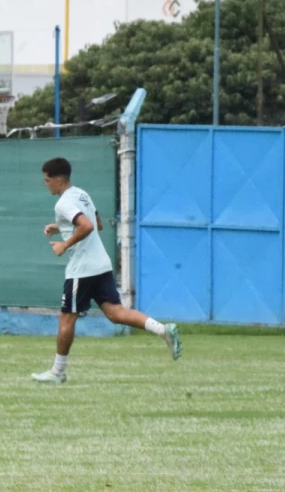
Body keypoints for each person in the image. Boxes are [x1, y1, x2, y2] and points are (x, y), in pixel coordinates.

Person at [32, 157, 181, 384]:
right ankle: (163, 330)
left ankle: (57, 372)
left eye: (47, 180)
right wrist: (61, 226)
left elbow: (88, 226)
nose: (46, 184)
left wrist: (65, 244)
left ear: (59, 180)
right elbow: (97, 222)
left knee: (66, 319)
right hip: (101, 264)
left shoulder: (62, 204)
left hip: (82, 270)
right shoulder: (82, 194)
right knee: (115, 313)